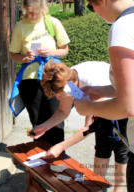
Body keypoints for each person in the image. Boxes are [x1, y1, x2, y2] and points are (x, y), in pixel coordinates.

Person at [72, 0, 134, 192]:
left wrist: (88, 107)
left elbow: (127, 106)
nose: (94, 11)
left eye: (91, 5)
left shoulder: (122, 28)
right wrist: (103, 90)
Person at [30, 60, 129, 192]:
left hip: (120, 107)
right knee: (102, 147)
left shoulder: (91, 83)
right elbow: (63, 111)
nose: (58, 98)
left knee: (121, 152)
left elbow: (89, 127)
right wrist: (44, 126)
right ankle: (98, 187)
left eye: (59, 95)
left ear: (69, 85)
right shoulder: (66, 80)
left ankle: (119, 189)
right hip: (102, 103)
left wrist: (61, 146)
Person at [9, 0, 70, 146]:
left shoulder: (53, 22)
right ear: (24, 9)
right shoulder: (20, 26)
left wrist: (50, 51)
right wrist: (25, 57)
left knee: (56, 119)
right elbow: (13, 55)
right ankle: (39, 162)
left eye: (36, 12)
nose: (33, 16)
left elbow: (65, 49)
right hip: (29, 81)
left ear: (43, 7)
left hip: (52, 78)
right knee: (36, 120)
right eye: (30, 12)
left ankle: (57, 157)